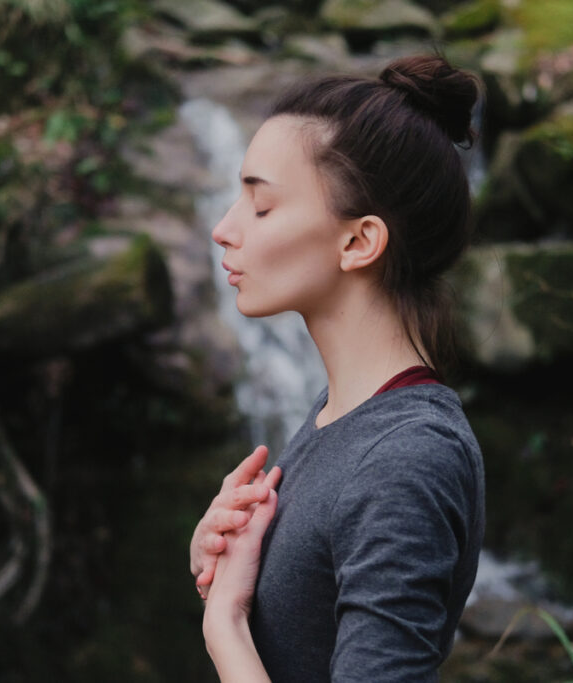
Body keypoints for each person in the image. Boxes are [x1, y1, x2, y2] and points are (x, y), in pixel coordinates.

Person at [190, 54, 486, 683]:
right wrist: (233, 568)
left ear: (359, 242)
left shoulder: (406, 459)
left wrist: (226, 628)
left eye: (261, 207)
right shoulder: (342, 415)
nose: (223, 230)